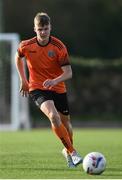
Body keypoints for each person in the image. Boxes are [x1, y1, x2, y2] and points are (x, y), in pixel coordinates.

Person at [15, 12, 82, 168]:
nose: (43, 32)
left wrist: (55, 81)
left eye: (46, 28)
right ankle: (72, 152)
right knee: (53, 116)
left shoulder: (59, 47)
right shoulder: (26, 45)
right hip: (37, 88)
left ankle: (67, 151)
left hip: (58, 87)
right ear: (34, 29)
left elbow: (68, 73)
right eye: (40, 29)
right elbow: (17, 57)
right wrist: (23, 80)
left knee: (67, 126)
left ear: (50, 27)